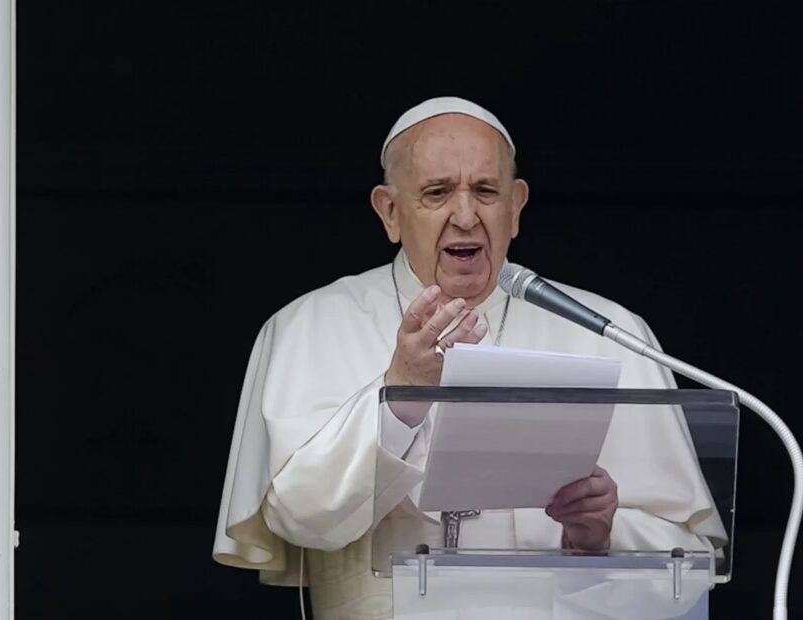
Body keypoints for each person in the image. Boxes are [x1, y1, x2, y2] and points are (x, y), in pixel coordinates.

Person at [212, 97, 725, 619]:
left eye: (485, 191)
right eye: (437, 193)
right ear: (389, 211)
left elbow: (687, 562)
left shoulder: (608, 332)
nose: (465, 216)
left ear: (516, 206)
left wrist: (600, 533)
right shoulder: (311, 326)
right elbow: (300, 518)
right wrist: (400, 396)